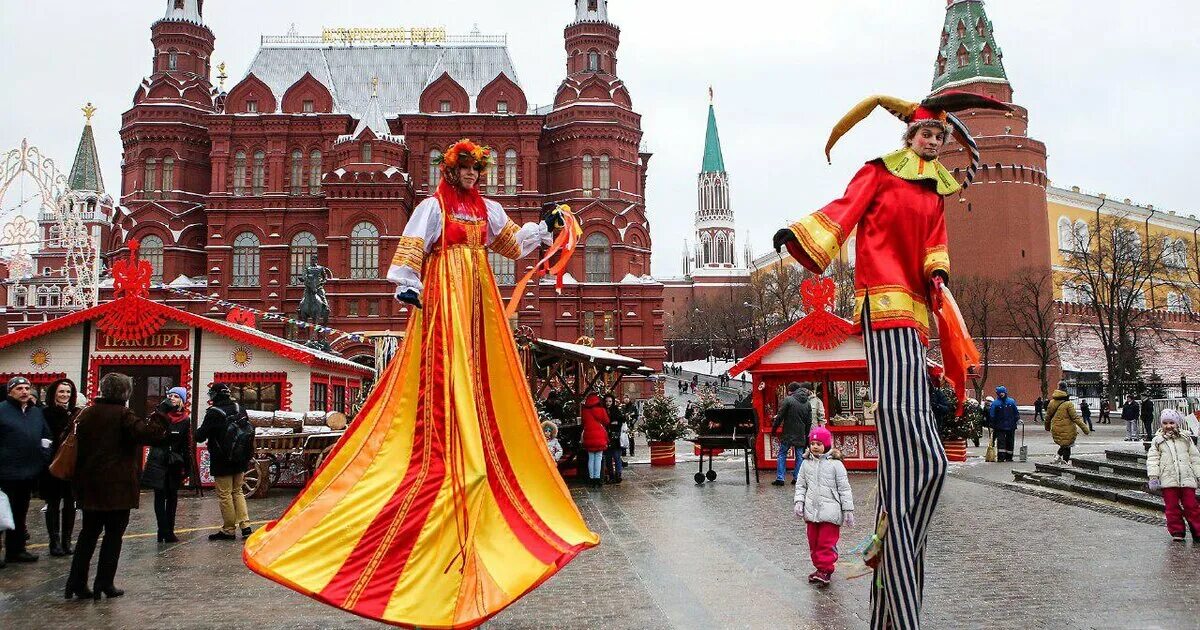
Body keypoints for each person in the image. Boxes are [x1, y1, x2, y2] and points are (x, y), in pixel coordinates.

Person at [243, 139, 598, 628]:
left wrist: (549, 229)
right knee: (443, 360)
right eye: (466, 169)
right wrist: (408, 284)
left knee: (479, 359)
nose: (473, 176)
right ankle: (446, 441)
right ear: (452, 172)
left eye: (477, 169)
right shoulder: (434, 208)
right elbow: (411, 246)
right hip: (446, 291)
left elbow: (513, 244)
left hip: (478, 293)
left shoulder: (487, 211)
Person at [773, 89, 1009, 627]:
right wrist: (800, 236)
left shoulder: (933, 192)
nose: (931, 141)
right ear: (910, 136)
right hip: (881, 303)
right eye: (925, 134)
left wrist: (940, 279)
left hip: (916, 309)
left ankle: (888, 538)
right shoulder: (878, 172)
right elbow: (844, 212)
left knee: (917, 434)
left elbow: (935, 243)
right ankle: (893, 540)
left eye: (938, 137)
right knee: (906, 427)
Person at [66, 372, 168, 600]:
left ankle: (76, 582)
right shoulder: (123, 415)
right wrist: (161, 415)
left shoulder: (86, 414)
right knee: (113, 536)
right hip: (117, 487)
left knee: (87, 535)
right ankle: (104, 582)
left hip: (89, 485)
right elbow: (150, 434)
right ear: (125, 393)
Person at [0, 376, 52, 566]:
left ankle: (16, 550)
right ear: (10, 391)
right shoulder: (2, 411)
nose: (24, 391)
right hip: (5, 472)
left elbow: (46, 436)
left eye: (26, 388)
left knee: (20, 512)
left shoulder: (36, 412)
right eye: (19, 388)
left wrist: (43, 456)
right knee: (2, 512)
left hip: (29, 471)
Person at [793, 426, 854, 587]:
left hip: (830, 511)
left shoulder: (836, 465)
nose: (814, 446)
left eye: (818, 443)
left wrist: (848, 510)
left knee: (826, 543)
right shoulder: (806, 464)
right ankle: (819, 568)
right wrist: (799, 501)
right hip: (812, 512)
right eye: (812, 443)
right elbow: (801, 485)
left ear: (826, 444)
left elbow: (844, 488)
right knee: (813, 542)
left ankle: (826, 569)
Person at [196, 384, 253, 541]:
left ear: (214, 396)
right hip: (240, 457)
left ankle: (228, 529)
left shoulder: (214, 413)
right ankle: (246, 526)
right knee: (238, 491)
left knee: (225, 494)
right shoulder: (239, 408)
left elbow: (200, 436)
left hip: (221, 458)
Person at [140, 387, 191, 543]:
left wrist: (187, 466)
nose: (173, 399)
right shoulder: (159, 416)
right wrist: (161, 414)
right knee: (159, 495)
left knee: (172, 496)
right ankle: (162, 529)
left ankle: (170, 529)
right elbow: (152, 436)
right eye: (170, 396)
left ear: (182, 400)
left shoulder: (185, 419)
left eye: (176, 396)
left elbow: (185, 443)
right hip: (159, 460)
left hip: (175, 461)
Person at [1146, 409, 1200, 542]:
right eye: (1165, 423)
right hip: (1168, 479)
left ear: (1177, 424)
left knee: (1191, 505)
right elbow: (1153, 460)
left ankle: (1197, 530)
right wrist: (1153, 477)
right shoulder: (1158, 441)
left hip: (1187, 478)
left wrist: (1198, 475)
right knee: (1171, 506)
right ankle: (1177, 530)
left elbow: (1195, 458)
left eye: (1171, 422)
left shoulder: (1186, 439)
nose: (1168, 426)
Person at [40, 378, 80, 557]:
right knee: (53, 503)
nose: (65, 395)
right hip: (52, 463)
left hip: (71, 464)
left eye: (68, 392)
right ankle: (54, 541)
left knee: (70, 503)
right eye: (61, 392)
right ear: (54, 394)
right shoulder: (45, 413)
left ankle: (66, 540)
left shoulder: (76, 413)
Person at [771, 382, 813, 486]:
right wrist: (806, 434)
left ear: (791, 391)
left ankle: (780, 478)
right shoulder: (807, 403)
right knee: (799, 456)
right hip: (801, 434)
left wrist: (774, 429)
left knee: (782, 454)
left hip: (788, 432)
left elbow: (780, 416)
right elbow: (809, 421)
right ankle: (797, 477)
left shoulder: (788, 400)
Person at [1044, 383, 1089, 464]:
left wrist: (1047, 427)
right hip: (1067, 429)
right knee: (1067, 447)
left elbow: (1048, 417)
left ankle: (1057, 457)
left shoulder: (1051, 402)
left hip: (1056, 428)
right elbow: (1075, 418)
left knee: (1064, 445)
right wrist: (1085, 429)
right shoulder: (1068, 404)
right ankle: (1065, 463)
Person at [581, 393, 610, 488]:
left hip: (588, 435)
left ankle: (591, 478)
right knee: (598, 458)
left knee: (591, 458)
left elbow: (583, 422)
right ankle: (597, 479)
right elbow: (607, 421)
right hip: (600, 436)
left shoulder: (585, 411)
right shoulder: (601, 410)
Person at [989, 387, 1020, 462]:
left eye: (1002, 392)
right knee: (1001, 442)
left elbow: (1015, 412)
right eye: (1000, 392)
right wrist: (992, 424)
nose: (1001, 394)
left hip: (1010, 425)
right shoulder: (996, 403)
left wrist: (1017, 419)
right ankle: (1001, 457)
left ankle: (1009, 457)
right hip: (1000, 426)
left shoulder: (1011, 402)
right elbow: (992, 415)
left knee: (1010, 441)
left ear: (1005, 393)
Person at [602, 394, 625, 484]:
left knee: (616, 457)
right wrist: (612, 424)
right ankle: (611, 475)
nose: (608, 403)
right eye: (607, 401)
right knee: (608, 458)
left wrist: (612, 424)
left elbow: (621, 421)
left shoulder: (616, 410)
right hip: (607, 437)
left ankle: (618, 475)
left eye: (610, 401)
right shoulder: (603, 411)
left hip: (616, 438)